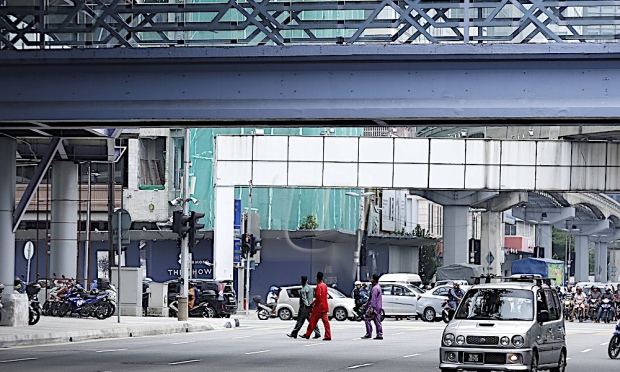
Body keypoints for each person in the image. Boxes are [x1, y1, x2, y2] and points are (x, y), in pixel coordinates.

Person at [301, 272, 331, 340]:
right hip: (325, 307)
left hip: (318, 308)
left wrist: (312, 304)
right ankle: (328, 335)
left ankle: (307, 334)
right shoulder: (325, 286)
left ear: (317, 278)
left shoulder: (319, 286)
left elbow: (318, 298)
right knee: (326, 323)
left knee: (312, 321)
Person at [362, 274, 383, 340]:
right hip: (378, 306)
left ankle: (369, 333)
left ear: (374, 280)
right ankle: (379, 333)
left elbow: (373, 298)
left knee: (367, 318)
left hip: (374, 306)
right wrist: (366, 304)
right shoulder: (378, 287)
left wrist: (372, 307)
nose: (371, 280)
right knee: (377, 320)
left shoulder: (374, 288)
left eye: (372, 279)